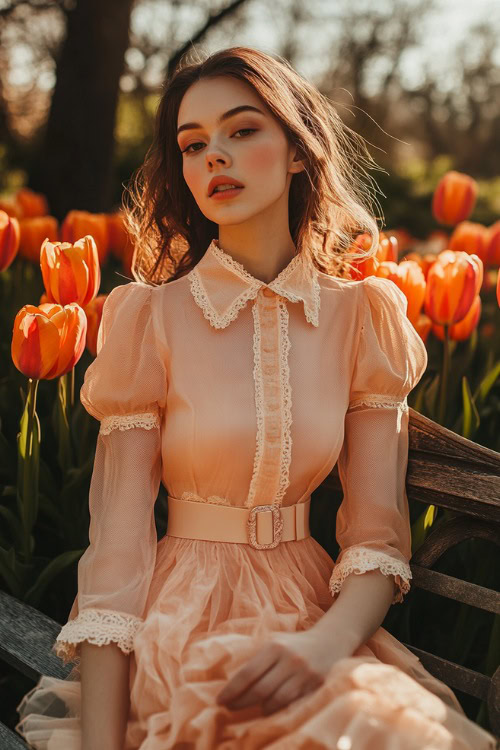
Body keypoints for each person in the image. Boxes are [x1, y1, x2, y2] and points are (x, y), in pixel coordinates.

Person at [15, 46, 497, 750]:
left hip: (316, 622)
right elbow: (115, 556)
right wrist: (103, 740)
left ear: (300, 151)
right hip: (182, 621)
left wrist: (323, 646)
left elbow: (376, 540)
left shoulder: (364, 316)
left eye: (242, 131)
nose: (214, 156)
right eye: (193, 144)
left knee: (375, 729)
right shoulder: (150, 319)